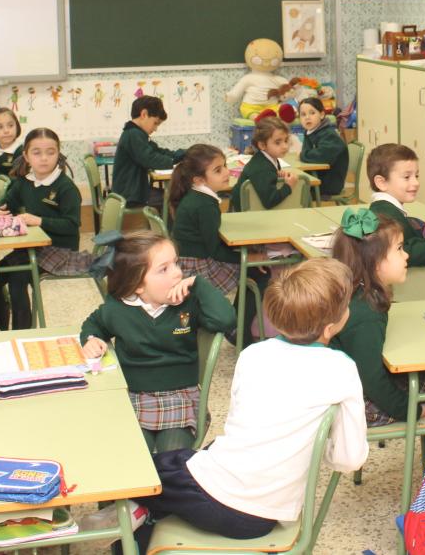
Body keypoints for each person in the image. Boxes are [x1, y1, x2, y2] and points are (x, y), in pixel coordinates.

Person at [127, 259, 368, 552]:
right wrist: (318, 449)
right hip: (266, 515)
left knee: (135, 474)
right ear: (331, 327)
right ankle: (147, 513)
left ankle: (137, 522)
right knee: (183, 463)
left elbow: (243, 424)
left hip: (222, 497)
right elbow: (350, 459)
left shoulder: (254, 355)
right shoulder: (341, 369)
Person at [80, 230, 235, 453]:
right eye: (164, 269)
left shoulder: (189, 303)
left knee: (172, 455)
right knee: (132, 452)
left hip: (180, 395)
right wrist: (91, 339)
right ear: (137, 286)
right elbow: (93, 324)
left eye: (176, 263)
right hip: (134, 394)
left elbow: (226, 319)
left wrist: (199, 283)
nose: (177, 274)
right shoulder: (118, 309)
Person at [330, 208, 425, 429]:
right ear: (375, 263)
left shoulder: (359, 293)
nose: (407, 256)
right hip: (353, 406)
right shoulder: (366, 315)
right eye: (400, 249)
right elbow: (373, 381)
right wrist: (411, 409)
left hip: (349, 389)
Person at [0, 127, 109, 329]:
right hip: (32, 249)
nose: (44, 158)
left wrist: (39, 221)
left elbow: (72, 226)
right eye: (37, 153)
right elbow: (3, 203)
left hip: (60, 251)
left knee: (17, 277)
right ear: (26, 156)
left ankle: (22, 333)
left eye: (50, 152)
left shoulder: (65, 187)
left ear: (58, 154)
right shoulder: (24, 182)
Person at [366, 143, 425, 267]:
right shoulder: (385, 215)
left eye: (416, 176)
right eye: (407, 177)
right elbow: (400, 252)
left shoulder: (384, 209)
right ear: (382, 183)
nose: (416, 182)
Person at [168, 144, 240, 295]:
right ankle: (239, 317)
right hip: (197, 268)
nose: (227, 172)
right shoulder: (204, 205)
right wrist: (248, 257)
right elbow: (215, 252)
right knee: (253, 270)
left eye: (225, 166)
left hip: (187, 260)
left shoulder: (197, 196)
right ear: (199, 180)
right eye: (218, 170)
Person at [113, 97, 187, 209]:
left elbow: (157, 151)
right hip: (129, 195)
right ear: (144, 114)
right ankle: (164, 227)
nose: (156, 128)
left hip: (134, 191)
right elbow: (150, 159)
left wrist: (179, 155)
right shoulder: (133, 134)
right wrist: (173, 162)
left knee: (173, 196)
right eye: (155, 123)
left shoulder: (137, 134)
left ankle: (164, 226)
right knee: (173, 199)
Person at [228, 117, 302, 212]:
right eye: (277, 142)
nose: (285, 146)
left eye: (286, 140)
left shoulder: (269, 159)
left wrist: (277, 174)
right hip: (243, 214)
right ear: (262, 145)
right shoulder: (262, 168)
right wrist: (288, 186)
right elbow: (269, 202)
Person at [295, 97, 349, 198]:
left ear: (322, 114)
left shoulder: (329, 135)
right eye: (303, 114)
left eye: (312, 113)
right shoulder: (310, 132)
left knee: (293, 192)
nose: (307, 117)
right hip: (318, 178)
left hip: (329, 184)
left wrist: (303, 155)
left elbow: (321, 156)